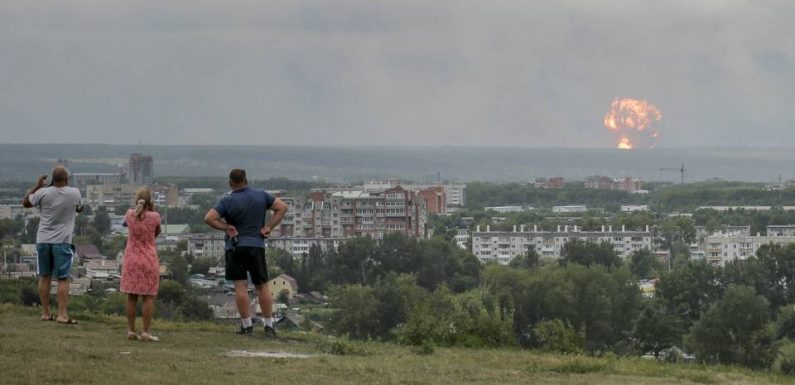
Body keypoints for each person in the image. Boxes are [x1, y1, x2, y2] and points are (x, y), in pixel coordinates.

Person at [204, 169, 288, 337]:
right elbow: (282, 207)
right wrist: (268, 227)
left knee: (240, 286)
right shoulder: (261, 195)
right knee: (262, 286)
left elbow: (209, 218)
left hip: (235, 247)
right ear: (246, 180)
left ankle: (247, 326)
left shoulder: (227, 200)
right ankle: (269, 327)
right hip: (256, 245)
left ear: (230, 183)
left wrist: (227, 227)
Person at [22, 166, 83, 324]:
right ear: (67, 179)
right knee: (63, 278)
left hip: (43, 240)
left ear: (52, 180)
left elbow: (26, 203)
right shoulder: (74, 192)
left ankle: (45, 312)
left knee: (44, 276)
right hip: (62, 241)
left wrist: (38, 186)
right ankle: (62, 314)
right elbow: (80, 208)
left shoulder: (43, 193)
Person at [120, 187, 162, 341]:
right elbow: (157, 233)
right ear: (150, 201)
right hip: (149, 259)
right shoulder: (155, 216)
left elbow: (123, 224)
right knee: (148, 297)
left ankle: (131, 330)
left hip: (131, 259)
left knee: (131, 296)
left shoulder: (130, 214)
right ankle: (146, 331)